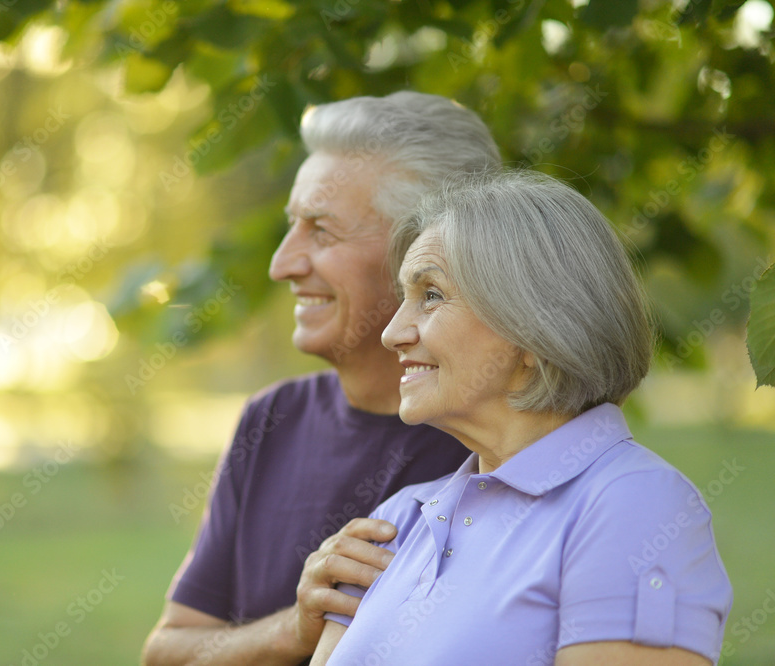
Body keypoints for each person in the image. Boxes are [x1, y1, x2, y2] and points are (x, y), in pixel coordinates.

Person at [311, 170, 733, 665]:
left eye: (431, 295)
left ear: (534, 329)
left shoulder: (632, 503)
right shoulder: (397, 521)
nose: (392, 333)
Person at [142, 92, 502, 665]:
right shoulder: (272, 419)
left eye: (321, 231)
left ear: (432, 253)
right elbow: (167, 652)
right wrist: (297, 629)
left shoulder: (505, 439)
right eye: (292, 226)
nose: (282, 264)